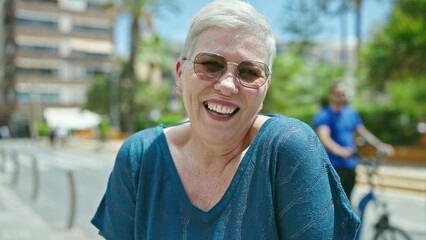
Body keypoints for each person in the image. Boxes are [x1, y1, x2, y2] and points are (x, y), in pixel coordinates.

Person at [91, 1, 360, 239]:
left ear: (265, 87)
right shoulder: (139, 158)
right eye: (210, 64)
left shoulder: (289, 149)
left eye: (249, 72)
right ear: (179, 74)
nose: (228, 85)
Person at [312, 81, 394, 201]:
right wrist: (340, 151)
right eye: (338, 93)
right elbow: (324, 138)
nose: (341, 96)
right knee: (333, 203)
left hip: (350, 165)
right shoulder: (324, 115)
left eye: (343, 93)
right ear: (331, 95)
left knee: (348, 200)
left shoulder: (351, 113)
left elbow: (362, 132)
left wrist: (380, 145)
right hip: (332, 167)